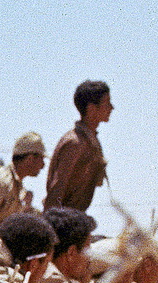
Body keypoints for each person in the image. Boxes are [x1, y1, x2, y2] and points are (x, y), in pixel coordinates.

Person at [45, 81, 111, 212]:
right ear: (92, 109)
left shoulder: (91, 142)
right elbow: (57, 190)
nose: (111, 108)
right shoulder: (75, 143)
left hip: (74, 218)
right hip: (63, 222)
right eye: (107, 103)